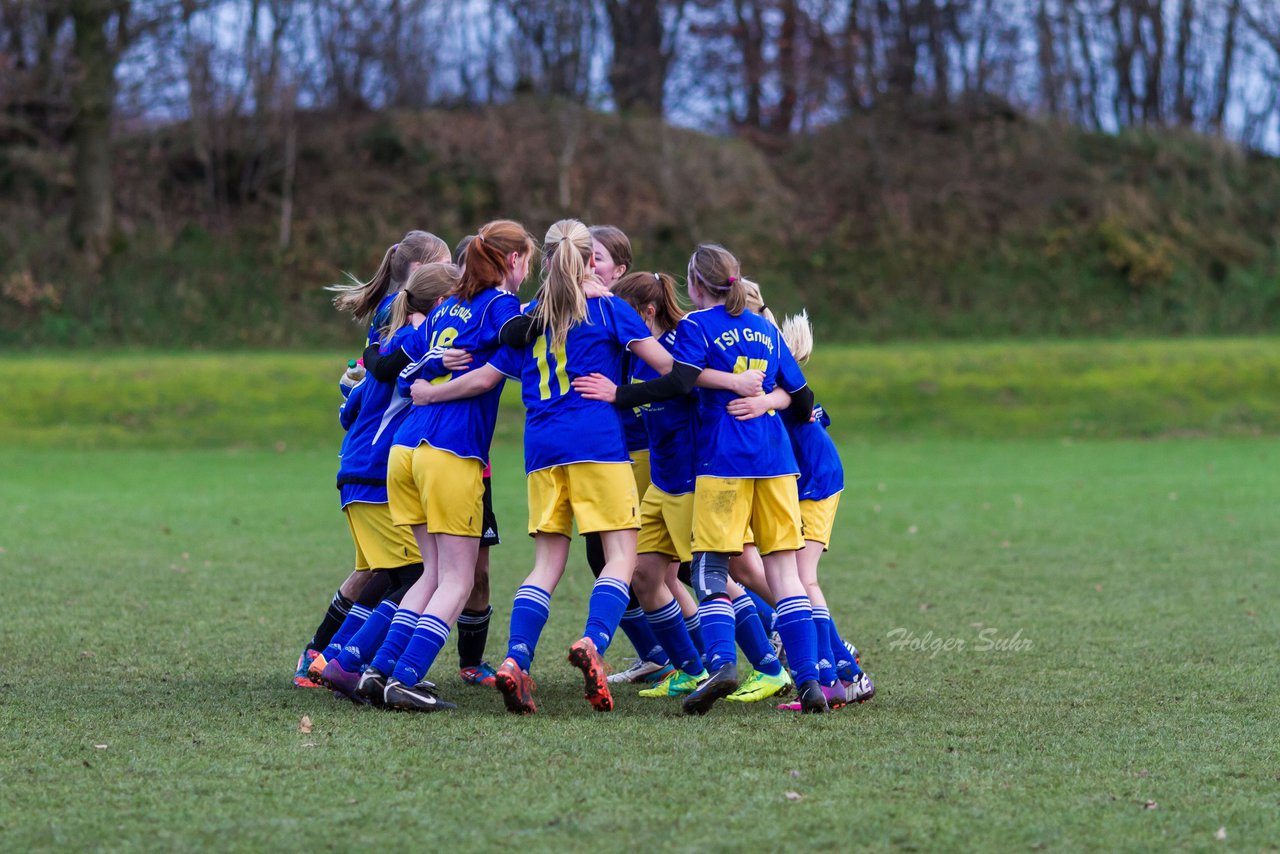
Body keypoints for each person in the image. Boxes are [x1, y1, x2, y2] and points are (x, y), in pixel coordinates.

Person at [411, 219, 675, 714]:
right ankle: (594, 641)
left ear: (549, 259)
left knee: (546, 565)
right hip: (598, 443)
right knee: (620, 557)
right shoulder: (610, 308)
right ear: (585, 262)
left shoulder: (528, 316)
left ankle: (515, 659)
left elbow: (494, 362)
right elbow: (669, 369)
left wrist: (430, 388)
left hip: (541, 450)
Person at [581, 244, 826, 714]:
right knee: (785, 576)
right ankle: (810, 681)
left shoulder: (695, 326)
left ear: (695, 286)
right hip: (775, 466)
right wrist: (763, 401)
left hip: (723, 466)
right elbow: (803, 398)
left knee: (712, 571)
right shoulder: (764, 330)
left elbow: (679, 381)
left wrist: (619, 394)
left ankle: (722, 665)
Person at [292, 231, 448, 687]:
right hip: (376, 470)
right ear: (422, 275)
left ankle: (320, 655)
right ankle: (343, 658)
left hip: (365, 465)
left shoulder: (392, 320)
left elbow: (361, 396)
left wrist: (354, 391)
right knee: (417, 573)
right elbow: (396, 378)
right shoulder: (404, 325)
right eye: (445, 272)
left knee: (375, 571)